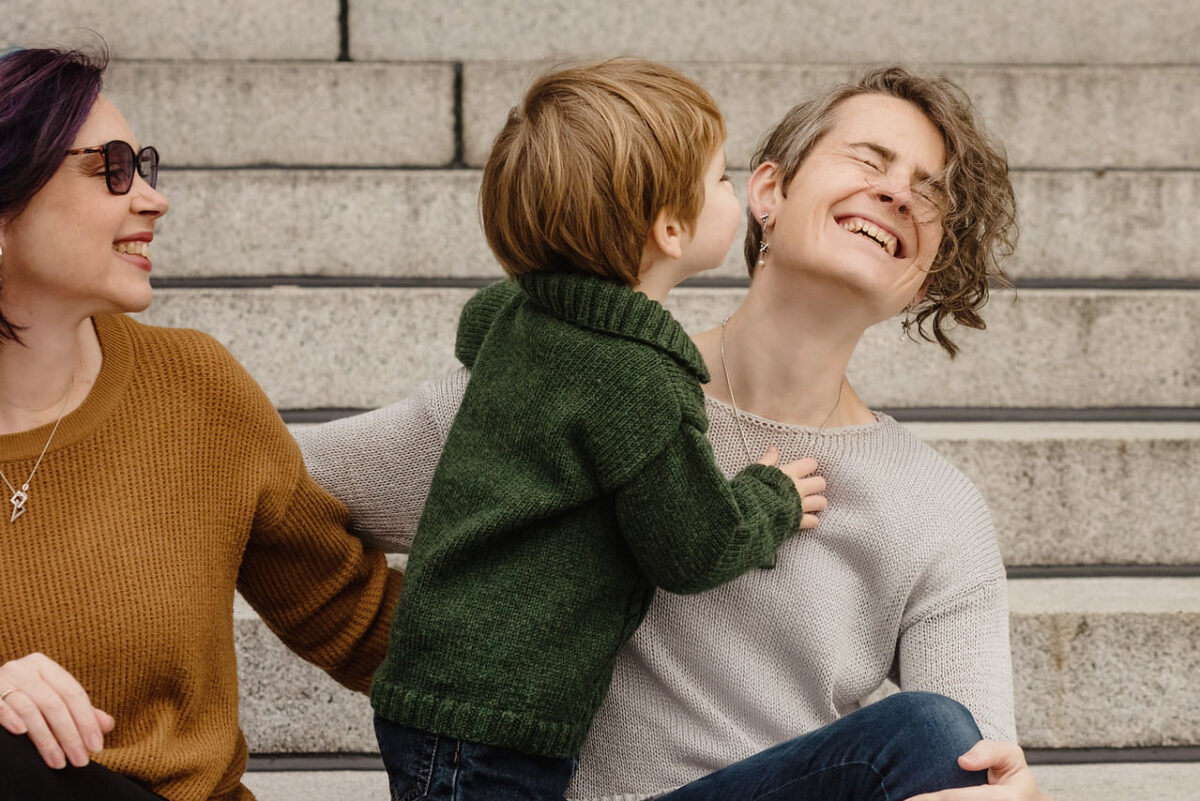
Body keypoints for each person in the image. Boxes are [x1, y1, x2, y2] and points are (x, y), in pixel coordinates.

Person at [301, 64, 1050, 801]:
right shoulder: (562, 381)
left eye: (929, 194)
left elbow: (978, 760)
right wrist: (390, 639)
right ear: (768, 192)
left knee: (931, 731)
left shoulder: (935, 508)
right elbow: (272, 479)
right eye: (870, 161)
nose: (896, 193)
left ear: (927, 271)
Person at [369, 59, 826, 801]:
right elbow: (694, 546)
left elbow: (474, 325)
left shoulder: (520, 314)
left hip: (442, 695)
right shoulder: (638, 382)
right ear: (670, 230)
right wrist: (771, 497)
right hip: (497, 728)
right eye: (717, 180)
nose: (733, 189)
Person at [0, 46, 403, 800]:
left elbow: (350, 612)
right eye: (110, 168)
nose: (152, 198)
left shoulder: (193, 388)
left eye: (144, 165)